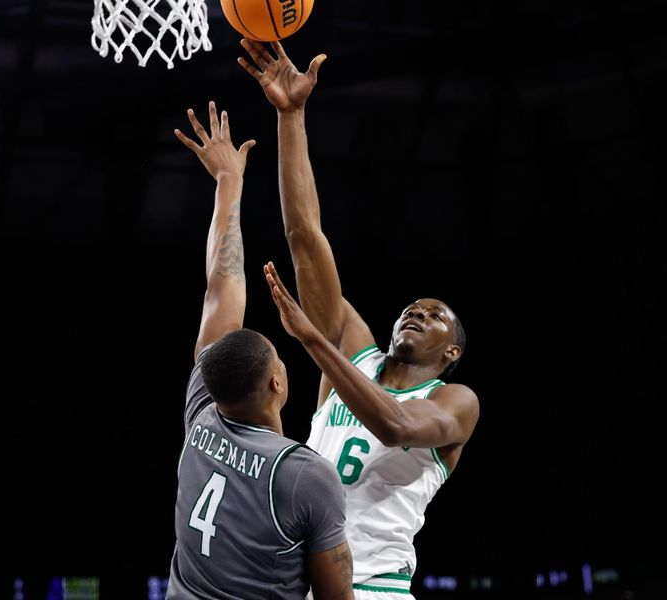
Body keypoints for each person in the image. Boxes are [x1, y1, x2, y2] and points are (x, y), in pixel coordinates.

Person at [239, 41, 481, 599]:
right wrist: (291, 117)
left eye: (435, 315)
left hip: (377, 589)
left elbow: (396, 427)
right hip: (298, 585)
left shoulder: (456, 401)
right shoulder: (356, 349)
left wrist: (315, 343)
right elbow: (306, 238)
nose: (416, 312)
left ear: (452, 352)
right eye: (411, 307)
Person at [165, 100, 354, 600]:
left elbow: (220, 288)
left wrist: (228, 184)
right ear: (278, 383)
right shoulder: (305, 475)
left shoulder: (202, 415)